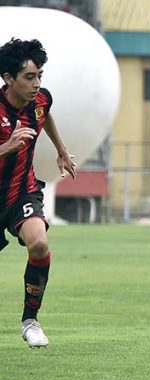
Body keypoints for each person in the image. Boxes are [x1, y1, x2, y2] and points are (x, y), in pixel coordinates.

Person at [0, 38, 77, 348]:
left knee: (40, 244)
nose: (36, 84)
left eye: (40, 75)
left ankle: (30, 321)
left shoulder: (41, 99)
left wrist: (61, 149)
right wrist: (7, 147)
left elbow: (46, 115)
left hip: (22, 192)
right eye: (29, 77)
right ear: (8, 79)